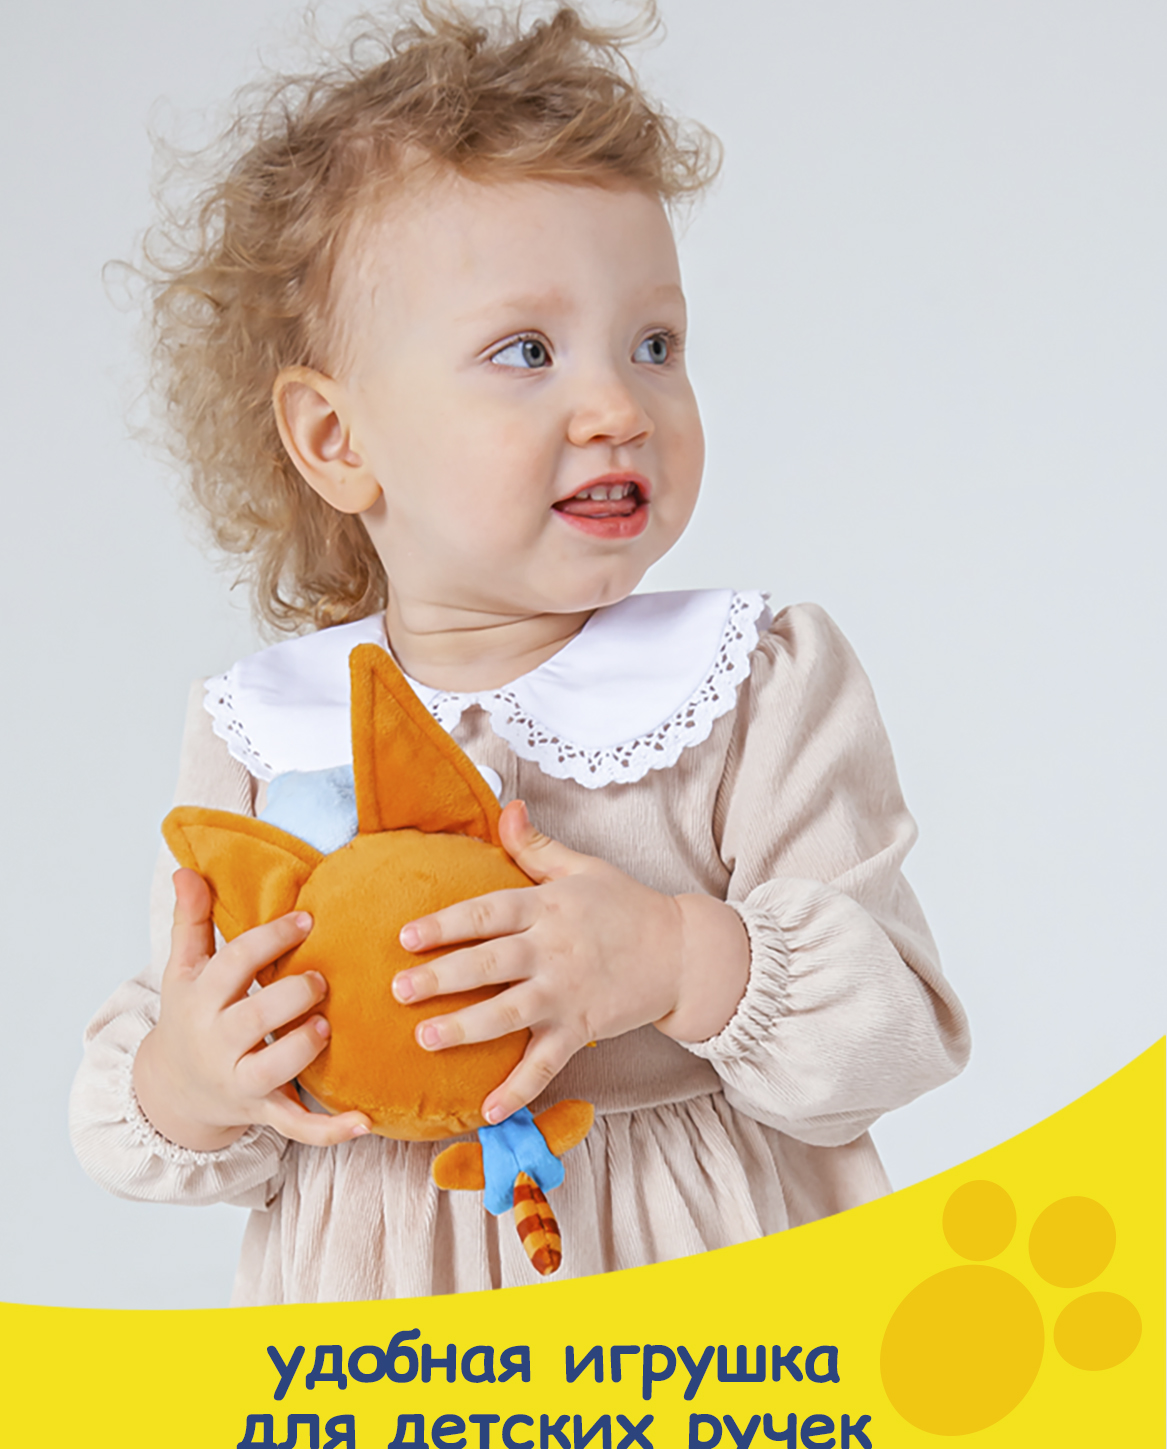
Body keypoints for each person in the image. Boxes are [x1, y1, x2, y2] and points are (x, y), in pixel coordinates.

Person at [69, 1, 969, 1305]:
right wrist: (198, 1076)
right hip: (383, 1341)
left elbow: (895, 1033)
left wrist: (672, 959)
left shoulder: (751, 685)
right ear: (336, 442)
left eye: (655, 345)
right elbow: (158, 1115)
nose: (618, 407)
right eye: (527, 352)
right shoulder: (266, 728)